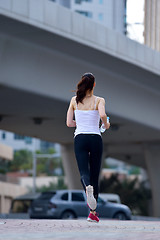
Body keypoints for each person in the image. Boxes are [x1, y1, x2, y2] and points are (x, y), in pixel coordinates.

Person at [66, 73, 110, 222]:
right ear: (94, 85)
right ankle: (93, 212)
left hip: (80, 138)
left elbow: (69, 123)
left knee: (84, 172)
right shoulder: (99, 100)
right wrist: (106, 123)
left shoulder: (74, 100)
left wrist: (80, 123)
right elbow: (103, 114)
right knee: (95, 173)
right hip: (95, 138)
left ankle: (87, 188)